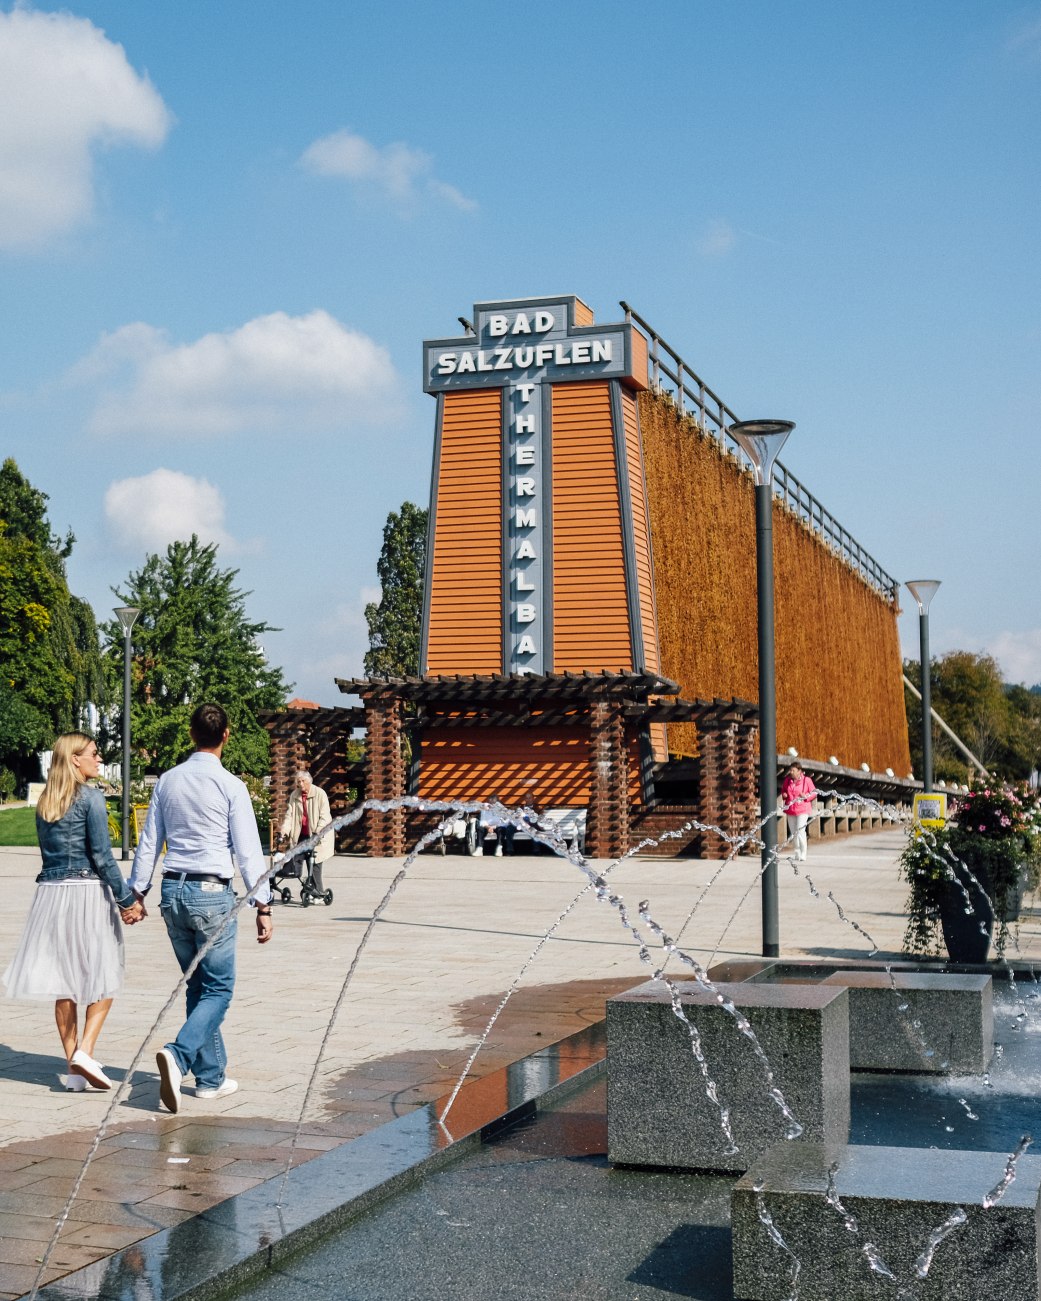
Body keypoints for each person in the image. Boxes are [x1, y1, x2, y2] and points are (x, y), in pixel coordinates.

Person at [129, 703, 273, 1113]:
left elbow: (149, 841)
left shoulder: (168, 782)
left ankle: (210, 1079)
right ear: (226, 735)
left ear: (191, 734)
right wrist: (263, 903)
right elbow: (248, 852)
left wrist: (136, 891)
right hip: (212, 895)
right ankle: (178, 1055)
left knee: (198, 986)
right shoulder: (231, 785)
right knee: (218, 989)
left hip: (173, 893)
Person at [2, 733, 142, 1091]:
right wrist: (126, 900)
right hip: (86, 892)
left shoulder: (45, 802)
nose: (99, 759)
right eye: (94, 754)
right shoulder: (91, 798)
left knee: (63, 980)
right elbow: (102, 857)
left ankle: (75, 1071)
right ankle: (86, 1051)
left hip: (50, 894)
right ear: (75, 759)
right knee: (105, 972)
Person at [278, 769, 333, 894]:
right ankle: (307, 886)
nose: (301, 784)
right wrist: (284, 831)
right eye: (298, 782)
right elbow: (289, 816)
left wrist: (318, 832)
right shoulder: (295, 795)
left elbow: (325, 817)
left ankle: (318, 892)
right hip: (301, 835)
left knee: (314, 863)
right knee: (295, 859)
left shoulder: (320, 794)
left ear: (309, 781)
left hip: (316, 835)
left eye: (303, 781)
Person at [781, 762, 818, 864]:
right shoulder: (787, 780)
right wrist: (784, 794)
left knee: (800, 830)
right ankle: (796, 852)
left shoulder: (807, 780)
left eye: (793, 770)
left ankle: (803, 852)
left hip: (803, 809)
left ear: (799, 771)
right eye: (790, 770)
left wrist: (806, 796)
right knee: (793, 832)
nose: (791, 772)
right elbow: (784, 790)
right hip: (791, 809)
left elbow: (814, 792)